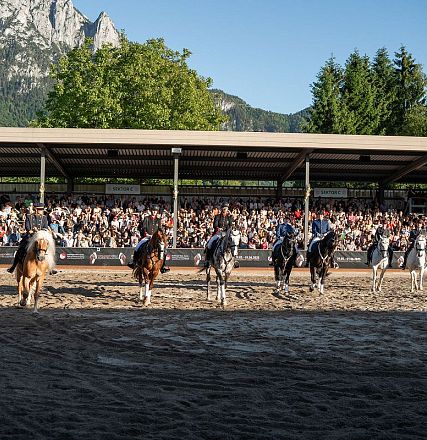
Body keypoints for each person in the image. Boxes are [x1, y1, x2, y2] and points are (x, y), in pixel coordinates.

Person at [7, 202, 57, 274]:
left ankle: (50, 268)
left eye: (42, 209)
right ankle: (14, 266)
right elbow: (27, 228)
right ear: (36, 209)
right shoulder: (29, 216)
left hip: (40, 237)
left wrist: (40, 231)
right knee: (21, 248)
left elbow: (45, 228)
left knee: (50, 248)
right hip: (30, 237)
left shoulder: (44, 218)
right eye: (40, 209)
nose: (42, 211)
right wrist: (32, 230)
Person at [127, 204, 170, 273]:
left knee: (164, 250)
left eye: (155, 211)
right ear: (151, 211)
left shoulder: (158, 220)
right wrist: (146, 234)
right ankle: (134, 262)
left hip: (156, 238)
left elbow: (160, 229)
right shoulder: (146, 218)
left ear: (157, 212)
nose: (154, 212)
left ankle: (163, 266)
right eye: (153, 211)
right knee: (137, 247)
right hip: (147, 236)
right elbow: (143, 228)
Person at [203, 203, 235, 268]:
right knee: (210, 243)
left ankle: (234, 260)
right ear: (222, 209)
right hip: (218, 233)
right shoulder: (217, 216)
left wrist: (227, 229)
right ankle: (208, 260)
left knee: (234, 243)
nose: (225, 209)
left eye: (226, 208)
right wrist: (218, 228)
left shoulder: (229, 217)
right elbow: (215, 225)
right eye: (224, 208)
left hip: (226, 234)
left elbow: (230, 226)